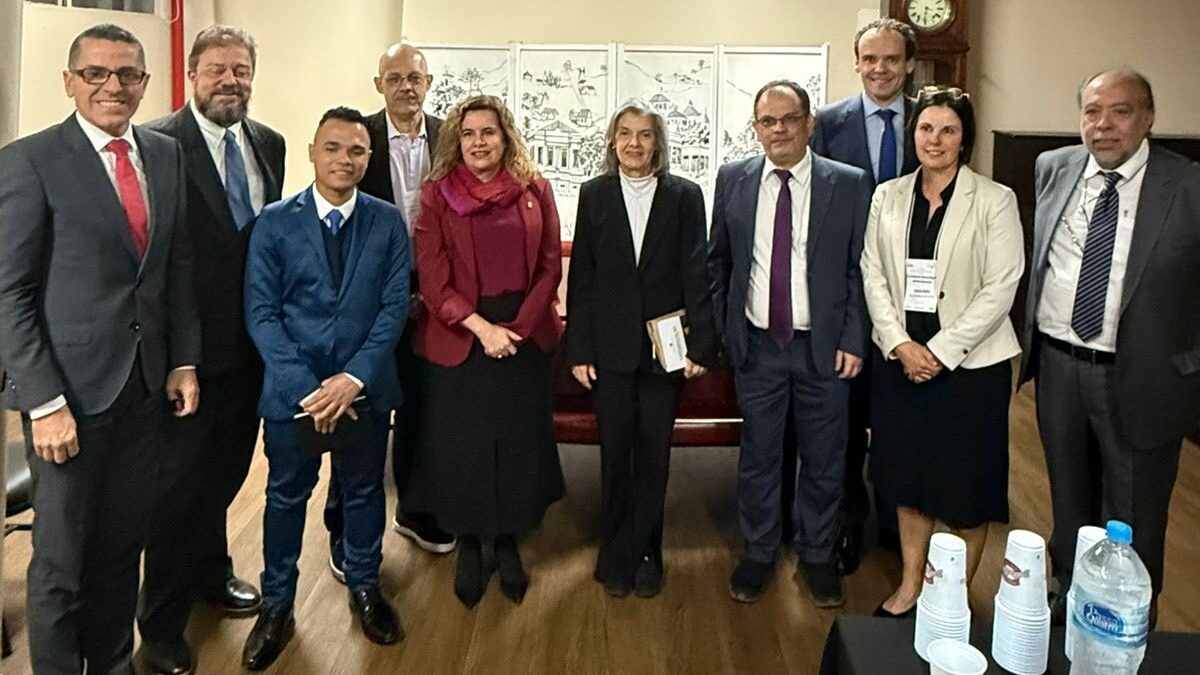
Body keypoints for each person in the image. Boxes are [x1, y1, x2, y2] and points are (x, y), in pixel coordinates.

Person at [0, 24, 200, 674]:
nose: (112, 86)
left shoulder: (166, 154)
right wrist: (43, 401)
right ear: (70, 82)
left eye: (127, 74)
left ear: (144, 83)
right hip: (67, 400)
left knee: (121, 548)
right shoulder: (29, 161)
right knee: (62, 563)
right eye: (96, 73)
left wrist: (183, 358)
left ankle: (112, 662)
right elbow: (10, 294)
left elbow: (174, 269)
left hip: (142, 392)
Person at [1019, 69, 1200, 627]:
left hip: (1141, 375)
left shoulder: (1188, 186)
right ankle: (1067, 600)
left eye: (1120, 112)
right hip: (1058, 366)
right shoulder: (1055, 168)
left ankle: (1123, 623)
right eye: (1092, 112)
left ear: (1148, 118)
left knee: (1135, 513)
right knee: (1068, 501)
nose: (1103, 126)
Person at [137, 25, 285, 674]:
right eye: (218, 69)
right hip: (186, 360)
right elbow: (153, 262)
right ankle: (160, 627)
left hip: (251, 353)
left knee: (225, 473)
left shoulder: (270, 144)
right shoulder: (157, 145)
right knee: (177, 491)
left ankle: (211, 572)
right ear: (192, 75)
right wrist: (176, 355)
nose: (231, 80)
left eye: (242, 69)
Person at [242, 107, 410, 669]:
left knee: (363, 494)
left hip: (364, 390)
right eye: (333, 148)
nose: (345, 159)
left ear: (369, 158)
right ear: (313, 152)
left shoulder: (387, 222)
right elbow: (262, 313)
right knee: (286, 498)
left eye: (357, 151)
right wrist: (310, 389)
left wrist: (353, 378)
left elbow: (392, 309)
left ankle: (366, 587)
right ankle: (277, 604)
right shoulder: (274, 221)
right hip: (295, 395)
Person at [860, 87, 1025, 617]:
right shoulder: (887, 195)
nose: (936, 140)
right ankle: (912, 585)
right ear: (914, 134)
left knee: (965, 488)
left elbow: (1002, 285)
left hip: (971, 367)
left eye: (948, 130)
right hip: (901, 362)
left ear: (965, 138)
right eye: (927, 128)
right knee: (908, 480)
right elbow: (873, 273)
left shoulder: (995, 200)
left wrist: (941, 351)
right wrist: (900, 344)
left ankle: (951, 595)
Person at [708, 80, 871, 607]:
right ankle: (758, 551)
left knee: (826, 456)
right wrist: (725, 331)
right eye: (767, 121)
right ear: (756, 127)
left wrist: (852, 336)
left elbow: (859, 268)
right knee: (758, 454)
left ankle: (818, 554)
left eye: (788, 119)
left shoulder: (847, 183)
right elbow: (720, 262)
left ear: (809, 123)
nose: (778, 130)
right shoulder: (733, 179)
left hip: (824, 348)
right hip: (758, 346)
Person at [404, 95, 564, 609]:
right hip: (460, 337)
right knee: (464, 446)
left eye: (488, 132)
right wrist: (482, 330)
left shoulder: (535, 189)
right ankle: (470, 543)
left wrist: (515, 328)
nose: (479, 142)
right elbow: (432, 279)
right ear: (457, 139)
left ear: (505, 136)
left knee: (517, 443)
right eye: (469, 133)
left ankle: (508, 539)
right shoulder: (436, 194)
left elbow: (549, 267)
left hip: (524, 334)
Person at [565, 100, 718, 599]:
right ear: (612, 142)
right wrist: (579, 349)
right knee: (614, 455)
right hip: (608, 351)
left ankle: (650, 550)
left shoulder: (686, 196)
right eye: (625, 133)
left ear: (658, 142)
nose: (634, 143)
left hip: (665, 351)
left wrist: (701, 342)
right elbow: (582, 277)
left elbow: (699, 272)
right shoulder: (594, 195)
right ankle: (614, 550)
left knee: (654, 455)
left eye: (645, 134)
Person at [325, 43, 453, 582]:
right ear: (379, 84)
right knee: (359, 413)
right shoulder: (360, 139)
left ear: (429, 84)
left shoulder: (453, 137)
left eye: (415, 78)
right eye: (394, 77)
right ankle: (342, 528)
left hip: (435, 297)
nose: (406, 86)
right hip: (367, 300)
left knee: (425, 408)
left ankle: (417, 509)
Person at [810, 18, 920, 569]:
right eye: (870, 59)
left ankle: (900, 527)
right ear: (856, 63)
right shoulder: (827, 124)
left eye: (892, 59)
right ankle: (847, 525)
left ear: (909, 64)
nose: (881, 69)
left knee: (902, 416)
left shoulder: (932, 120)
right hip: (848, 294)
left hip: (914, 296)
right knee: (847, 418)